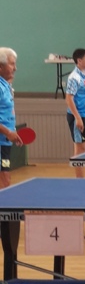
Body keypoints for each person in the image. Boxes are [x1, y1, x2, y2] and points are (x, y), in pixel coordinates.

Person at [66, 48, 85, 179]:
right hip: (78, 116)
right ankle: (79, 180)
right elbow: (69, 98)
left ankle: (81, 179)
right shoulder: (74, 77)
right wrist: (77, 118)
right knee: (79, 149)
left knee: (83, 148)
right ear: (79, 61)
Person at [0, 48, 23, 189]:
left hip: (5, 142)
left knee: (5, 179)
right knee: (5, 181)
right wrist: (8, 132)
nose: (15, 68)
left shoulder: (5, 84)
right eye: (12, 64)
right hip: (1, 141)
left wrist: (11, 132)